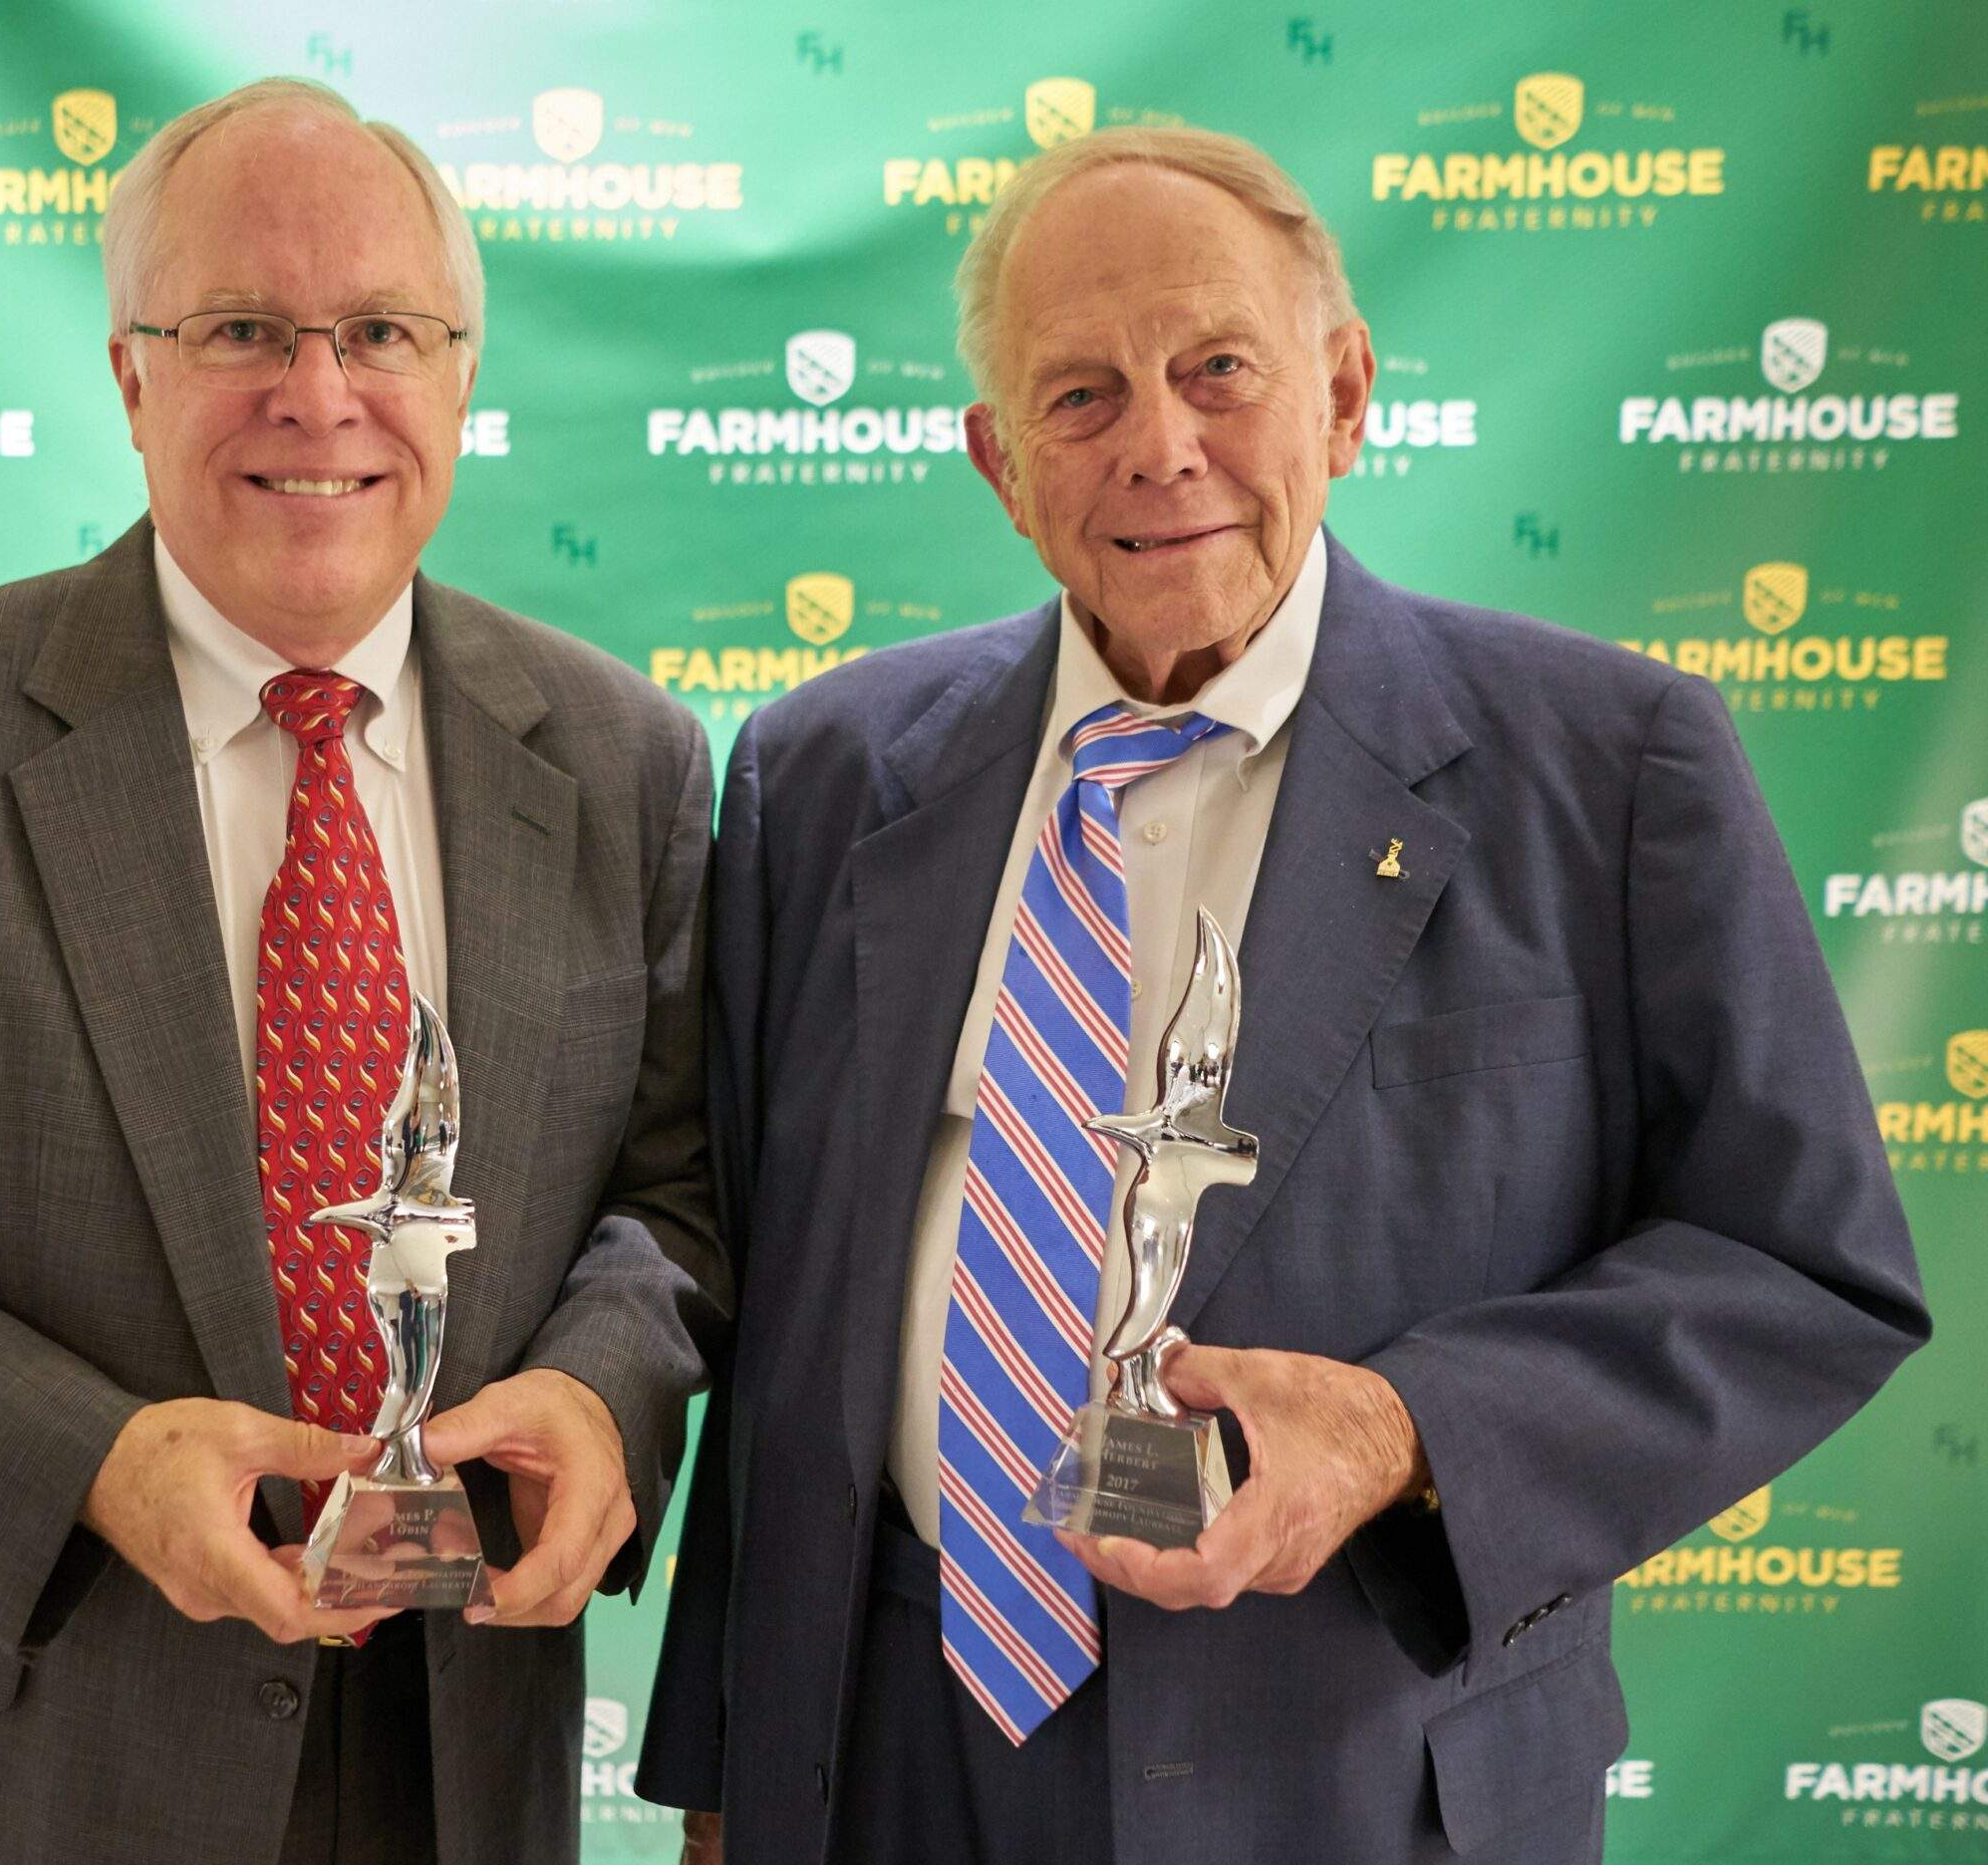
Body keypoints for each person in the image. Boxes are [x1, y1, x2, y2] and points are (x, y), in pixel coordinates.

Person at [638, 126, 1926, 1864]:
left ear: (1344, 394)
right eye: (1079, 397)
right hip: (889, 1757)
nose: (1159, 446)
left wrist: (1405, 1428)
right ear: (999, 465)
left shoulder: (1613, 769)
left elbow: (1804, 1272)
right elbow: (779, 1315)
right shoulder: (824, 777)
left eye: (1217, 369)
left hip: (1358, 1773)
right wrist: (727, 1774)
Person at [0, 78, 720, 1865]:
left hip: (457, 1764)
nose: (319, 391)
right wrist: (94, 1464)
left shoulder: (626, 757)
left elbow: (671, 1200)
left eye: (381, 331)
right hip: (10, 1769)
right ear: (132, 374)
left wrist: (602, 1395)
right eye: (241, 330)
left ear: (459, 375)